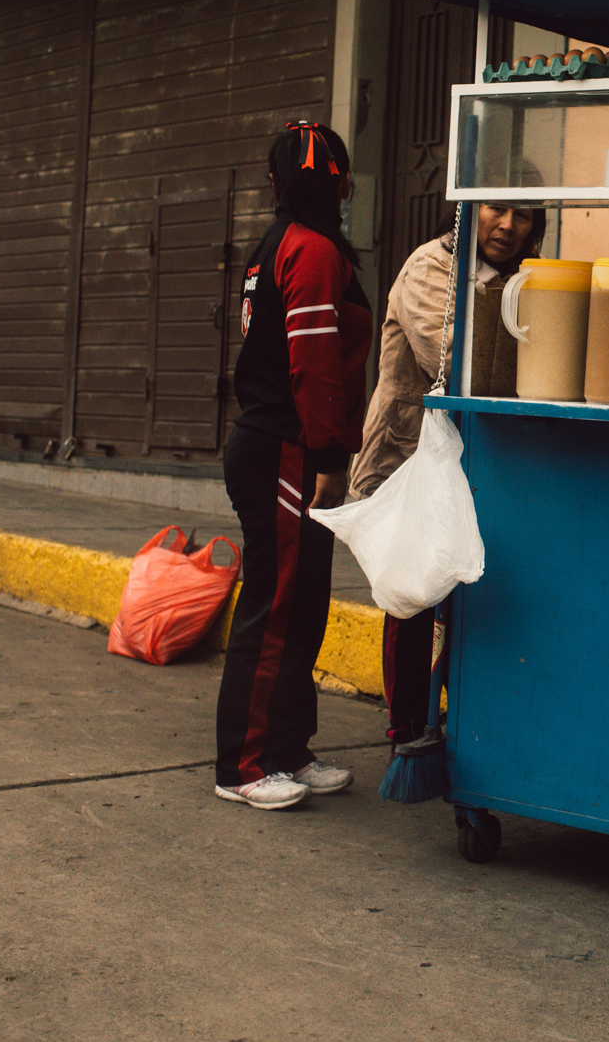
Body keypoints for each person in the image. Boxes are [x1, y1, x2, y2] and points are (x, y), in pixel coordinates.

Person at [213, 121, 373, 811]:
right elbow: (312, 367)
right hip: (286, 447)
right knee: (274, 604)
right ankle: (243, 765)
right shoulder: (306, 249)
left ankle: (288, 750)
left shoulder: (284, 244)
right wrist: (331, 458)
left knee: (301, 603)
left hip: (283, 443)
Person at [354, 200, 546, 748]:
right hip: (410, 459)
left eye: (525, 216)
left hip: (484, 463)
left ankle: (460, 724)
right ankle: (408, 729)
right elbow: (460, 362)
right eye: (497, 208)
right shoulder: (429, 268)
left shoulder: (526, 279)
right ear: (466, 207)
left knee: (474, 597)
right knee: (415, 595)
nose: (509, 225)